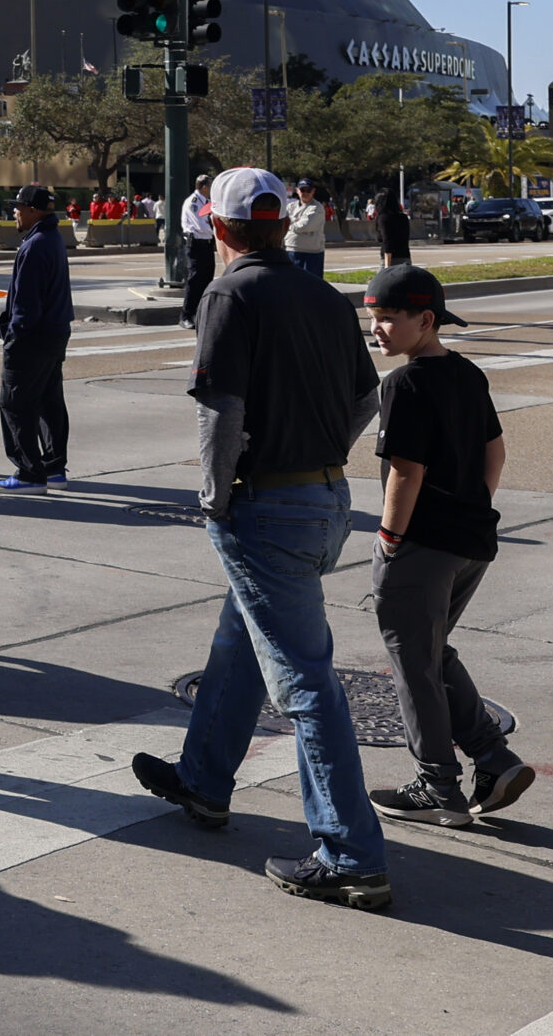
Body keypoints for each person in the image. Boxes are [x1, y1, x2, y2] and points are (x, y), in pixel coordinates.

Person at [134, 166, 389, 911]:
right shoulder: (322, 294)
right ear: (282, 223)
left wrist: (216, 496)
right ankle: (206, 780)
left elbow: (221, 407)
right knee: (240, 637)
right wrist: (319, 456)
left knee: (305, 681)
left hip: (264, 505)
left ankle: (350, 853)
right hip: (325, 496)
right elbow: (366, 395)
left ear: (217, 227)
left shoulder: (228, 292)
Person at [360, 264, 536, 828]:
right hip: (471, 541)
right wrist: (471, 509)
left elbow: (405, 472)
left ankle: (437, 786)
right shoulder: (466, 374)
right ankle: (491, 756)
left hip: (421, 545)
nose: (378, 331)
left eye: (388, 320)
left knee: (412, 662)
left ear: (426, 320)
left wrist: (389, 538)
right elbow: (496, 455)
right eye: (373, 319)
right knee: (432, 650)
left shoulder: (404, 384)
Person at [0, 183, 73, 493]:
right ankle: (54, 468)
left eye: (18, 207)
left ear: (32, 210)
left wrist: (14, 338)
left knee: (15, 402)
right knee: (48, 401)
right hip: (54, 334)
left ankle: (29, 473)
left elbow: (26, 303)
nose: (14, 211)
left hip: (32, 337)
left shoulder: (35, 244)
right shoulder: (52, 238)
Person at [179, 173, 216, 327]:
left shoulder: (207, 202)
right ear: (203, 187)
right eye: (210, 185)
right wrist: (217, 228)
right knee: (194, 281)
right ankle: (186, 315)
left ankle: (200, 313)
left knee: (207, 279)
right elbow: (201, 225)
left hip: (207, 244)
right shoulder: (193, 202)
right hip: (196, 245)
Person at [288, 178, 329, 279]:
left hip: (312, 253)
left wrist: (290, 223)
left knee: (312, 287)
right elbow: (281, 223)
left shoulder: (317, 208)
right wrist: (295, 222)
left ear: (313, 191)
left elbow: (304, 226)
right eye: (302, 190)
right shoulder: (290, 206)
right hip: (291, 249)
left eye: (308, 190)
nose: (305, 193)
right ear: (297, 190)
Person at [376, 184, 412, 270]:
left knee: (382, 283)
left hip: (392, 260)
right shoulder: (403, 217)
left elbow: (387, 242)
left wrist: (387, 266)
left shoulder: (383, 218)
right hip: (405, 258)